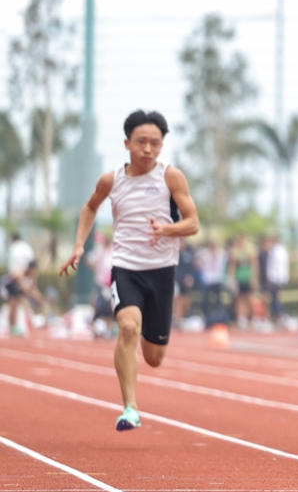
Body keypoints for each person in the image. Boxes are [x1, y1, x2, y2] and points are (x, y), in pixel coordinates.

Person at [59, 109, 199, 431]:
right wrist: (79, 245)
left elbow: (193, 223)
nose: (148, 149)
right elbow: (90, 207)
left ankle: (144, 352)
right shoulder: (111, 180)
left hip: (162, 271)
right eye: (141, 142)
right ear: (127, 143)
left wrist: (167, 230)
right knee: (127, 328)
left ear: (162, 146)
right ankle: (130, 408)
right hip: (126, 268)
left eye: (155, 143)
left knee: (154, 357)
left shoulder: (171, 177)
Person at [5, 232, 36, 336]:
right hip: (17, 279)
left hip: (15, 278)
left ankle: (14, 328)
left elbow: (16, 271)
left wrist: (24, 285)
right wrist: (29, 285)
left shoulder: (15, 249)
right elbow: (31, 267)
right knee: (16, 303)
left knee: (14, 304)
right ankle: (14, 328)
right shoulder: (26, 248)